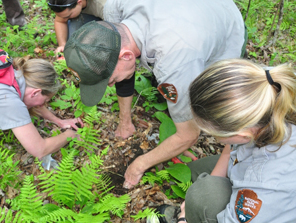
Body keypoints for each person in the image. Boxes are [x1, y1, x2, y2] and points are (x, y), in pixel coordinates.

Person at [63, 0, 247, 189]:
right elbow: (121, 59)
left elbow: (190, 134)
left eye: (109, 79)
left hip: (225, 22)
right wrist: (125, 122)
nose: (110, 84)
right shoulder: (115, 12)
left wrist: (139, 165)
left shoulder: (174, 62)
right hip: (189, 13)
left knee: (211, 105)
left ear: (126, 56)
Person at [159, 59, 296, 223]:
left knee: (202, 200)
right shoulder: (266, 84)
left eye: (213, 134)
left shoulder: (270, 181)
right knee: (196, 174)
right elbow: (232, 147)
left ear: (242, 134)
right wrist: (214, 179)